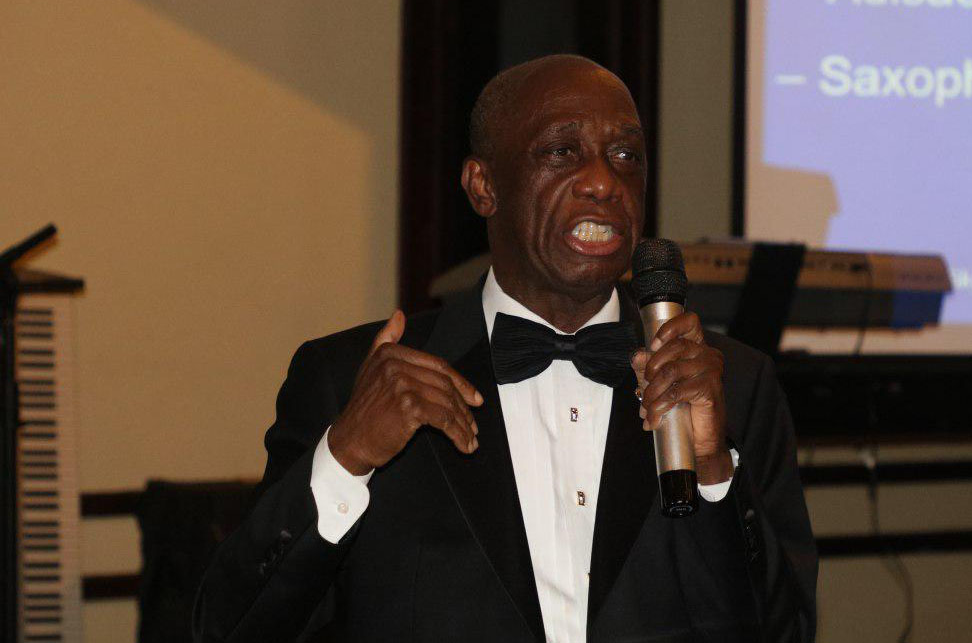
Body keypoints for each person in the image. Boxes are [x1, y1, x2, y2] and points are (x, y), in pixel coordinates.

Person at [194, 54, 817, 643]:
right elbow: (231, 629)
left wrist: (712, 471)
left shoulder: (734, 384)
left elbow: (784, 633)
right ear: (483, 185)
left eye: (626, 155)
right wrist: (347, 456)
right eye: (561, 151)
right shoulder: (348, 380)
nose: (603, 181)